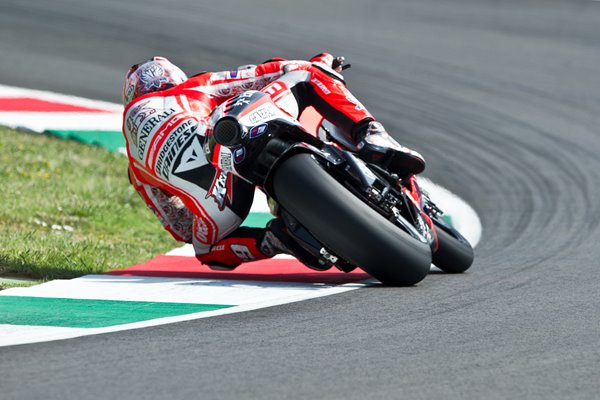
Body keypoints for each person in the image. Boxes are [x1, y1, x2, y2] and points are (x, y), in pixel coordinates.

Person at [121, 53, 425, 271]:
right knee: (307, 73)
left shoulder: (135, 167)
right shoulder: (188, 89)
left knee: (206, 250)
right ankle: (370, 134)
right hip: (231, 140)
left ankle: (275, 240)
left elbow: (180, 228)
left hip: (219, 204)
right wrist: (319, 63)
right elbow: (261, 74)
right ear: (171, 79)